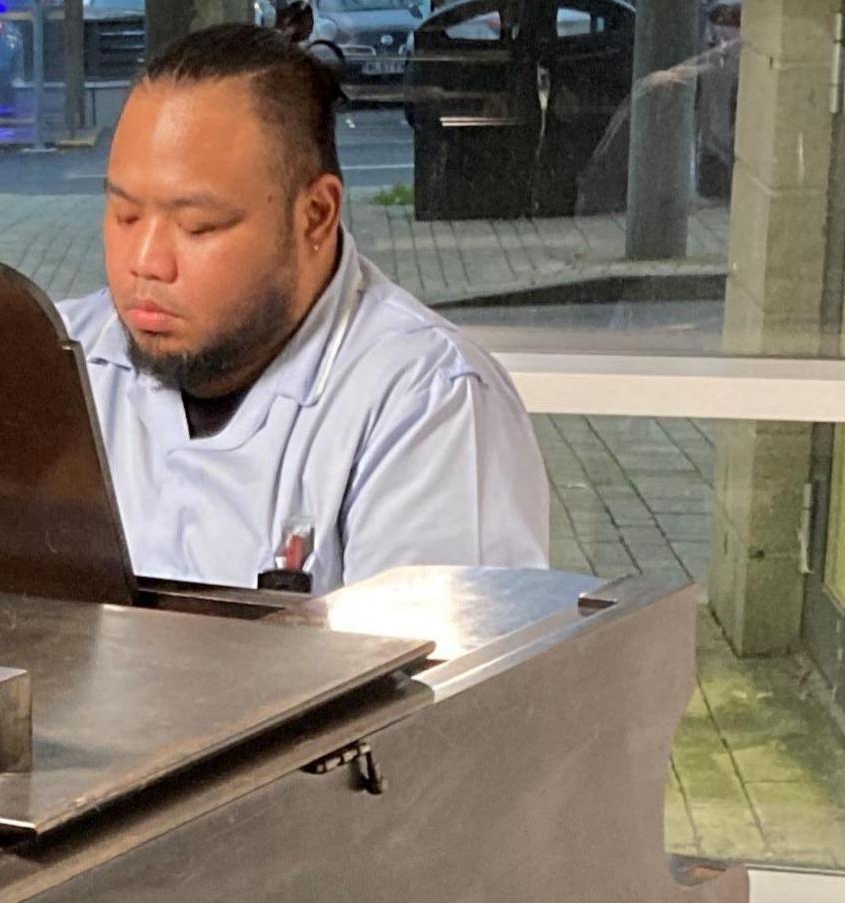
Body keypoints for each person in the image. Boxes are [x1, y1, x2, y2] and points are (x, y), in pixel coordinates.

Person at [56, 23, 549, 594]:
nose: (145, 262)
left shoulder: (428, 403)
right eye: (125, 216)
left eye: (198, 226)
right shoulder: (50, 358)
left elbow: (441, 675)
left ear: (316, 214)